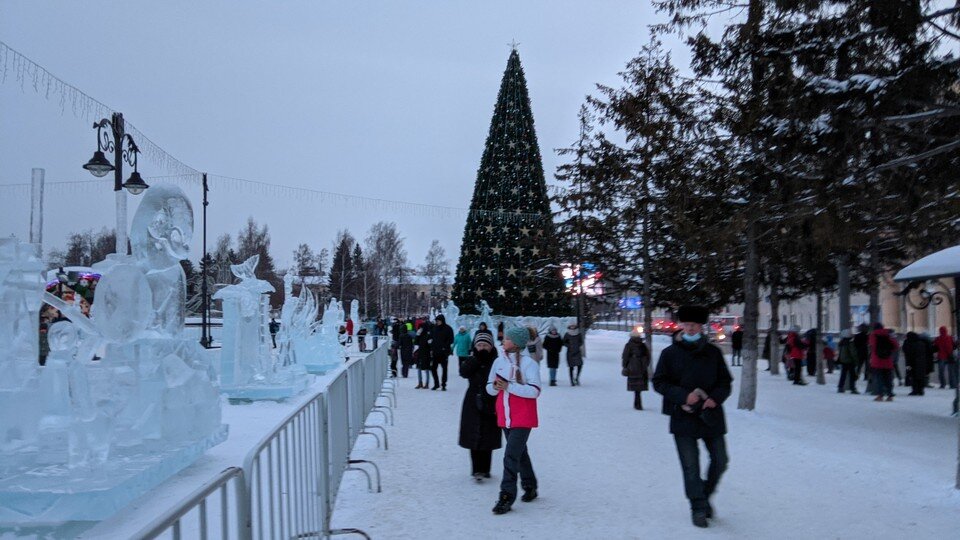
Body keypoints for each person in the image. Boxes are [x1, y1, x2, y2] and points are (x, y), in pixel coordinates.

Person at [652, 305, 732, 529]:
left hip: (710, 415)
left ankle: (704, 495)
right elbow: (659, 382)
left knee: (721, 460)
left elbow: (725, 382)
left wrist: (714, 398)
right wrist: (682, 396)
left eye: (694, 325)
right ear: (681, 325)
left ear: (701, 326)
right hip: (682, 416)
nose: (690, 328)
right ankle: (698, 507)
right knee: (691, 466)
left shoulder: (713, 353)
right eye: (686, 324)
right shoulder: (670, 353)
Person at [487, 326, 541, 515]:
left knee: (511, 455)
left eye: (508, 338)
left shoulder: (529, 364)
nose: (504, 339)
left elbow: (534, 391)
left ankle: (506, 496)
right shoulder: (499, 362)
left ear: (516, 343)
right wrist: (495, 387)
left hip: (523, 417)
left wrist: (509, 387)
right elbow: (489, 388)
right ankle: (530, 486)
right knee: (520, 453)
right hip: (505, 416)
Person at [458, 332, 502, 482]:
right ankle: (476, 469)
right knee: (473, 435)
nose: (482, 348)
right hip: (472, 400)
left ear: (491, 346)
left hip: (490, 400)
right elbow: (463, 372)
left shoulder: (496, 361)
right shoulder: (472, 359)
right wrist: (476, 360)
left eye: (485, 345)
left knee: (488, 435)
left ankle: (486, 468)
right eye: (479, 345)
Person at [622, 328, 650, 410]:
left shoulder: (628, 345)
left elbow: (625, 357)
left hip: (632, 367)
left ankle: (637, 403)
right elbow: (648, 357)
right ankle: (638, 404)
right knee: (639, 387)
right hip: (641, 368)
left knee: (635, 387)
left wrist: (625, 366)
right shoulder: (643, 345)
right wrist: (645, 365)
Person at [869, 323, 899, 401]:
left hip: (877, 360)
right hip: (888, 360)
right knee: (888, 379)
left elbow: (872, 346)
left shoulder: (873, 335)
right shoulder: (889, 334)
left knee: (879, 379)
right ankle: (890, 395)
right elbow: (896, 346)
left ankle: (880, 395)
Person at [431, 315, 455, 391]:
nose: (437, 322)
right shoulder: (434, 328)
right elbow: (432, 338)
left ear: (442, 320)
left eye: (438, 321)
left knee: (444, 369)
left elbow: (451, 340)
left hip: (444, 352)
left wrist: (444, 346)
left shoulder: (448, 328)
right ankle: (436, 384)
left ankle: (443, 384)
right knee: (433, 368)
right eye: (436, 321)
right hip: (435, 352)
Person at [903, 331, 929, 396]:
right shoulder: (921, 343)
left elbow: (908, 353)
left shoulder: (910, 343)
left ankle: (915, 390)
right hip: (922, 363)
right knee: (920, 377)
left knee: (913, 376)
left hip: (912, 363)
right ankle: (921, 390)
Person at [836, 330, 859, 394]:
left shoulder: (841, 343)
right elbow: (853, 352)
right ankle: (853, 388)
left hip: (843, 361)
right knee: (852, 375)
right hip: (850, 361)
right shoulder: (850, 343)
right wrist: (856, 360)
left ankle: (840, 387)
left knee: (843, 375)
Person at [414, 323, 434, 389]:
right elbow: (416, 342)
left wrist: (431, 352)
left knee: (427, 369)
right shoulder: (420, 335)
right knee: (419, 368)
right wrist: (417, 335)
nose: (420, 329)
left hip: (426, 354)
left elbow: (431, 345)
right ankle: (420, 383)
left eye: (421, 328)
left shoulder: (428, 335)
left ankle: (427, 383)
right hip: (420, 353)